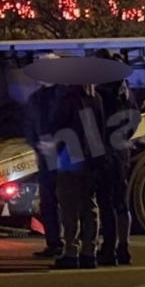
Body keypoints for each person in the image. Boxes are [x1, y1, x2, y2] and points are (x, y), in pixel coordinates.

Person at [48, 82, 105, 269]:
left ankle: (71, 252)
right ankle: (89, 251)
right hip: (91, 159)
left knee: (69, 207)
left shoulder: (67, 99)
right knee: (89, 204)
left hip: (70, 158)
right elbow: (100, 130)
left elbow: (57, 127)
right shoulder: (96, 98)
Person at [93, 49, 142, 266]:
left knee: (106, 201)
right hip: (122, 150)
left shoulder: (102, 93)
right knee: (121, 203)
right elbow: (135, 120)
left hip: (106, 152)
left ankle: (109, 249)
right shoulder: (126, 91)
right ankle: (124, 247)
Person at [23, 53, 63, 258]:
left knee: (70, 202)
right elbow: (29, 126)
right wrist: (37, 146)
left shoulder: (66, 96)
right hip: (47, 159)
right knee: (48, 202)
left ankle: (75, 245)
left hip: (67, 158)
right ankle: (54, 243)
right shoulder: (35, 99)